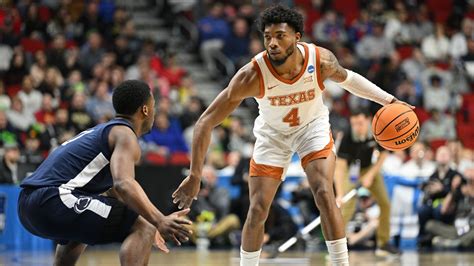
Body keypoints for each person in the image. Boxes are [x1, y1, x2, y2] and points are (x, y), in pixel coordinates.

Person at [172, 5, 410, 266]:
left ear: (297, 37)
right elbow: (205, 122)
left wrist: (389, 100)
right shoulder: (251, 75)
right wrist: (195, 175)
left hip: (312, 128)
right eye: (267, 37)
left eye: (280, 36)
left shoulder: (320, 60)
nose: (272, 43)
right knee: (258, 208)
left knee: (323, 192)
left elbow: (350, 79)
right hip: (273, 135)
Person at [18, 80, 192, 265]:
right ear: (145, 110)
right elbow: (123, 184)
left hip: (29, 204)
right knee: (144, 227)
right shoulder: (125, 134)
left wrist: (151, 219)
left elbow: (115, 194)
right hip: (52, 198)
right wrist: (157, 221)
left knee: (85, 226)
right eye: (153, 106)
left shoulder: (103, 131)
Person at [334, 109, 400, 257]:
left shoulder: (378, 131)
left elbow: (383, 155)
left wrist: (370, 175)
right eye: (354, 123)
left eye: (360, 123)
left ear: (369, 120)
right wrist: (339, 194)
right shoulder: (346, 136)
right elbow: (340, 167)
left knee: (385, 204)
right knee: (347, 205)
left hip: (371, 169)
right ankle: (338, 245)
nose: (357, 127)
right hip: (352, 171)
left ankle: (383, 243)